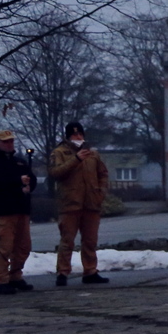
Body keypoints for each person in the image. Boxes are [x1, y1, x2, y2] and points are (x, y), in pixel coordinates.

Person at [48, 122, 108, 286]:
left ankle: (90, 271)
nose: (78, 137)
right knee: (67, 240)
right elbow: (55, 172)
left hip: (91, 203)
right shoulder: (59, 153)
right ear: (68, 137)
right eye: (75, 135)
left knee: (90, 241)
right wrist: (75, 159)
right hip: (70, 204)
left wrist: (101, 191)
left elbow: (102, 173)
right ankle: (62, 272)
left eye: (80, 134)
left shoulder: (93, 154)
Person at [0, 128, 36, 295]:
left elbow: (32, 179)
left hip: (21, 210)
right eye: (6, 141)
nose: (10, 144)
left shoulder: (20, 162)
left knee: (23, 247)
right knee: (4, 247)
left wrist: (29, 186)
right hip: (1, 211)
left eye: (11, 141)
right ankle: (2, 280)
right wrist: (17, 182)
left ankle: (16, 276)